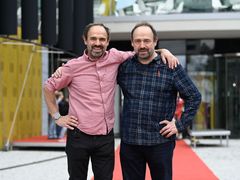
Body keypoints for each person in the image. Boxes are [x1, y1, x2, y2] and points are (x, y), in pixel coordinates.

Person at [43, 23, 179, 180]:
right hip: (78, 136)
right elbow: (48, 88)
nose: (98, 43)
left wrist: (163, 51)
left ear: (107, 42)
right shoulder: (72, 67)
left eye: (102, 39)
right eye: (93, 38)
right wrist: (57, 117)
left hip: (105, 139)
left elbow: (142, 51)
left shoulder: (116, 57)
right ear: (85, 40)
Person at [117, 22, 201, 180]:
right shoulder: (123, 67)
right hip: (130, 142)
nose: (142, 45)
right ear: (132, 42)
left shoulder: (170, 66)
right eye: (138, 41)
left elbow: (194, 96)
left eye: (147, 41)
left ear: (155, 41)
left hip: (160, 143)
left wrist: (179, 125)